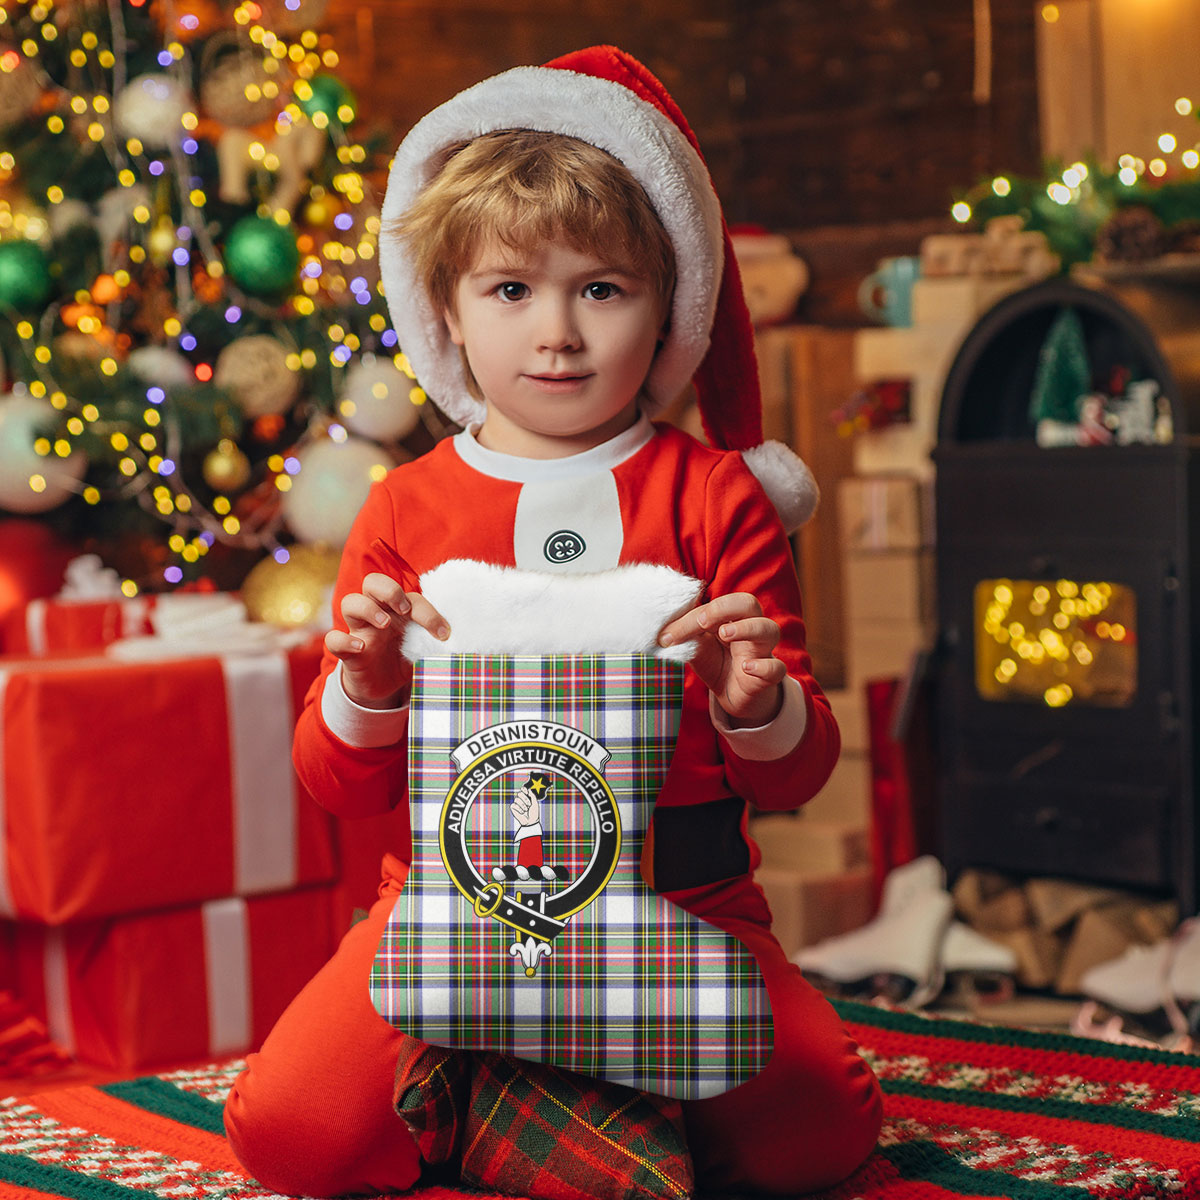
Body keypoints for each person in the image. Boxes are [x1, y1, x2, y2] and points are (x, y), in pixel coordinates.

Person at [224, 45, 882, 1197]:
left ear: (665, 303)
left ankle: (532, 1088)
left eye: (602, 288)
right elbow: (338, 784)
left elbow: (796, 780)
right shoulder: (407, 503)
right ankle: (535, 1089)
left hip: (685, 904)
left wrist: (760, 705)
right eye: (512, 289)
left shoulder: (716, 496)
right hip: (448, 903)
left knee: (818, 1136)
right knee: (293, 1136)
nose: (558, 334)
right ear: (447, 310)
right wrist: (368, 686)